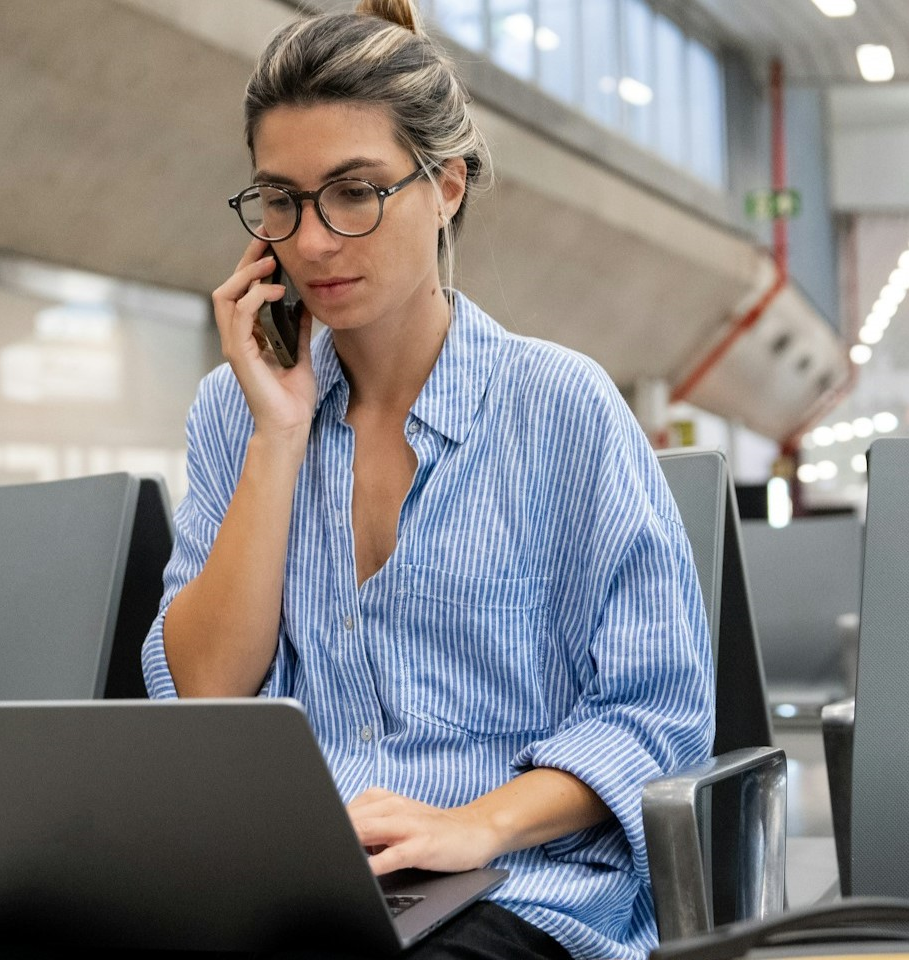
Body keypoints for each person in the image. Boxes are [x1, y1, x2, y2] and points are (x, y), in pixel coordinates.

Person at [141, 2, 714, 957]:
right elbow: (204, 696)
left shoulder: (558, 405)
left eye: (354, 192)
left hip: (518, 889)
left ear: (445, 186)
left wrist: (477, 824)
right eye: (280, 198)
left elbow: (653, 715)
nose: (314, 240)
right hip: (294, 888)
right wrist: (278, 436)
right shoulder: (234, 410)